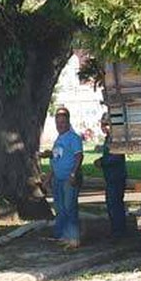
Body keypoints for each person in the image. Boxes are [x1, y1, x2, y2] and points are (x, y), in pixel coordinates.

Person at [42, 107, 84, 249]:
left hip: (69, 178)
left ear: (68, 122)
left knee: (69, 207)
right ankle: (65, 236)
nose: (60, 125)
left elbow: (79, 156)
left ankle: (74, 237)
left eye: (63, 122)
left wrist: (73, 174)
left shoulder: (74, 138)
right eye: (58, 123)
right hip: (57, 179)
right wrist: (48, 178)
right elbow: (56, 160)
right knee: (60, 208)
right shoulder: (58, 139)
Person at [95, 112, 128, 238]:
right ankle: (117, 229)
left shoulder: (115, 138)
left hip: (116, 176)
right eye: (102, 124)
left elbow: (116, 156)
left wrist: (101, 162)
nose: (104, 127)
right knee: (113, 204)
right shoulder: (109, 138)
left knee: (115, 205)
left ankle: (119, 231)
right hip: (111, 176)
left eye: (106, 124)